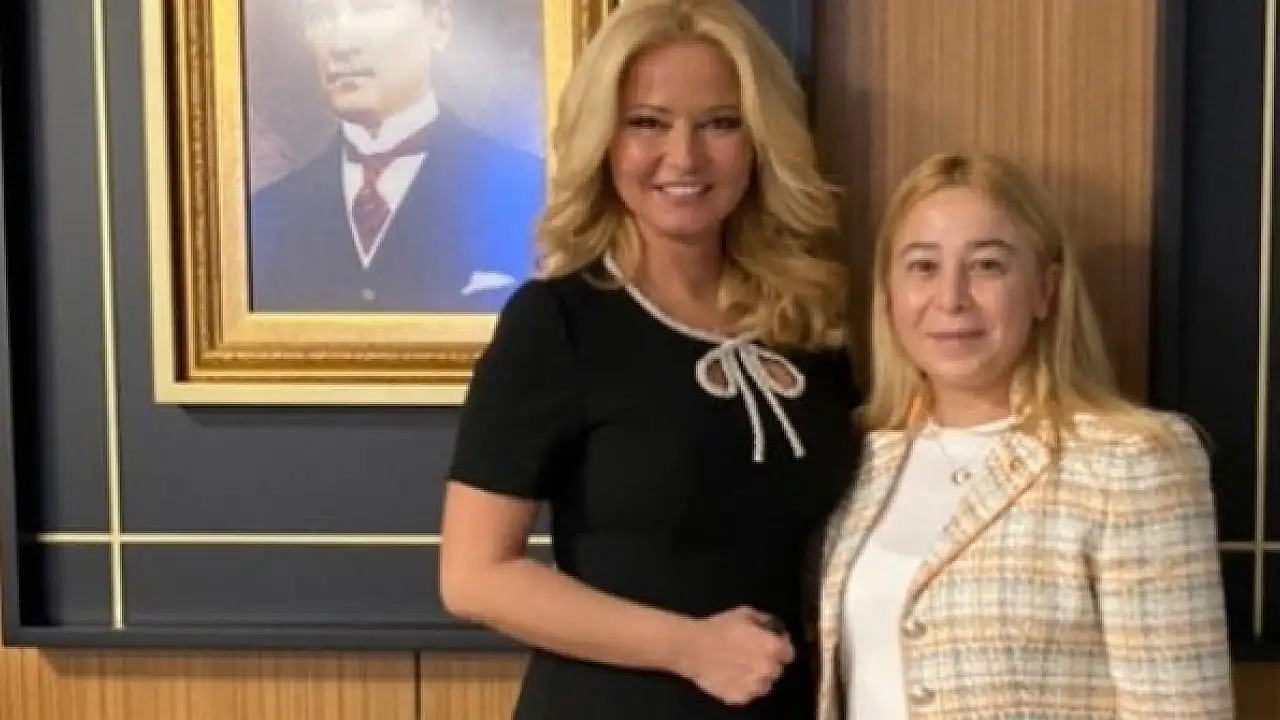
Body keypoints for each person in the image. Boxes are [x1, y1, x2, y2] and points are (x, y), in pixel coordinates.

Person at [437, 1, 862, 717]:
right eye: (647, 123)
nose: (684, 157)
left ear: (761, 141)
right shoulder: (558, 323)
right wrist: (689, 647)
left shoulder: (808, 325)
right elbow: (475, 577)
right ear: (604, 140)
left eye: (720, 123)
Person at [815, 152, 1234, 719]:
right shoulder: (861, 458)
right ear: (888, 296)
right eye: (923, 266)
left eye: (987, 265)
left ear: (1045, 290)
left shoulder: (1132, 463)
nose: (951, 298)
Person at [248, 0, 543, 313]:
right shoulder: (265, 218)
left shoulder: (533, 192)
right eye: (319, 15)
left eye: (369, 9)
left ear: (439, 25)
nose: (340, 44)